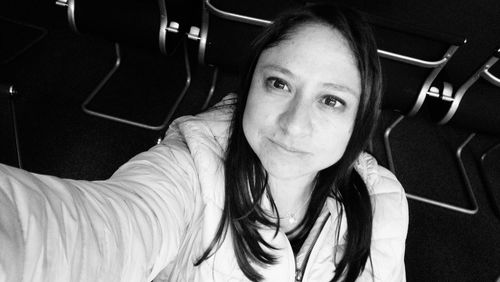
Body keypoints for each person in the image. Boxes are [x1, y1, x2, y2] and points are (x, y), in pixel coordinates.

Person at [0, 3, 408, 282]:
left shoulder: (382, 200)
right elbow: (100, 228)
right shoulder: (191, 168)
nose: (294, 125)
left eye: (331, 100)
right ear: (250, 88)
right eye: (279, 83)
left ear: (360, 121)